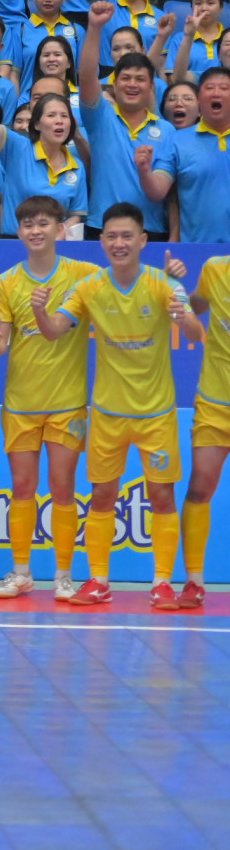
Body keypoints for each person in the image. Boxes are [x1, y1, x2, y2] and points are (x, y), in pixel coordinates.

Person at [35, 204, 194, 608]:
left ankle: (161, 583)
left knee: (161, 497)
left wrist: (182, 312)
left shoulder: (163, 283)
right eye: (111, 236)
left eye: (127, 236)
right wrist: (40, 310)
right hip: (107, 413)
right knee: (103, 496)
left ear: (143, 241)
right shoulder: (89, 287)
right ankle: (99, 580)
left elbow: (195, 330)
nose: (119, 243)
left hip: (156, 413)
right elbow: (54, 331)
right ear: (101, 241)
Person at [0, 196, 102, 601]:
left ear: (60, 229)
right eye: (28, 224)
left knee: (63, 488)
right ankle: (21, 573)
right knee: (22, 487)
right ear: (19, 232)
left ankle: (64, 577)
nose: (36, 230)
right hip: (20, 402)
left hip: (67, 402)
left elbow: (121, 289)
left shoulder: (85, 275)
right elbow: (1, 342)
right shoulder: (7, 280)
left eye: (44, 223)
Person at [182, 249, 230, 608]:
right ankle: (194, 581)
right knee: (200, 486)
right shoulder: (216, 269)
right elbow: (198, 305)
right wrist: (181, 291)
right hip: (215, 402)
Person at [165, 65, 230, 243]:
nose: (216, 93)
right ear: (199, 100)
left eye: (224, 88)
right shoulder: (177, 140)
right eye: (209, 88)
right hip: (195, 249)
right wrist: (144, 170)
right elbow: (165, 194)